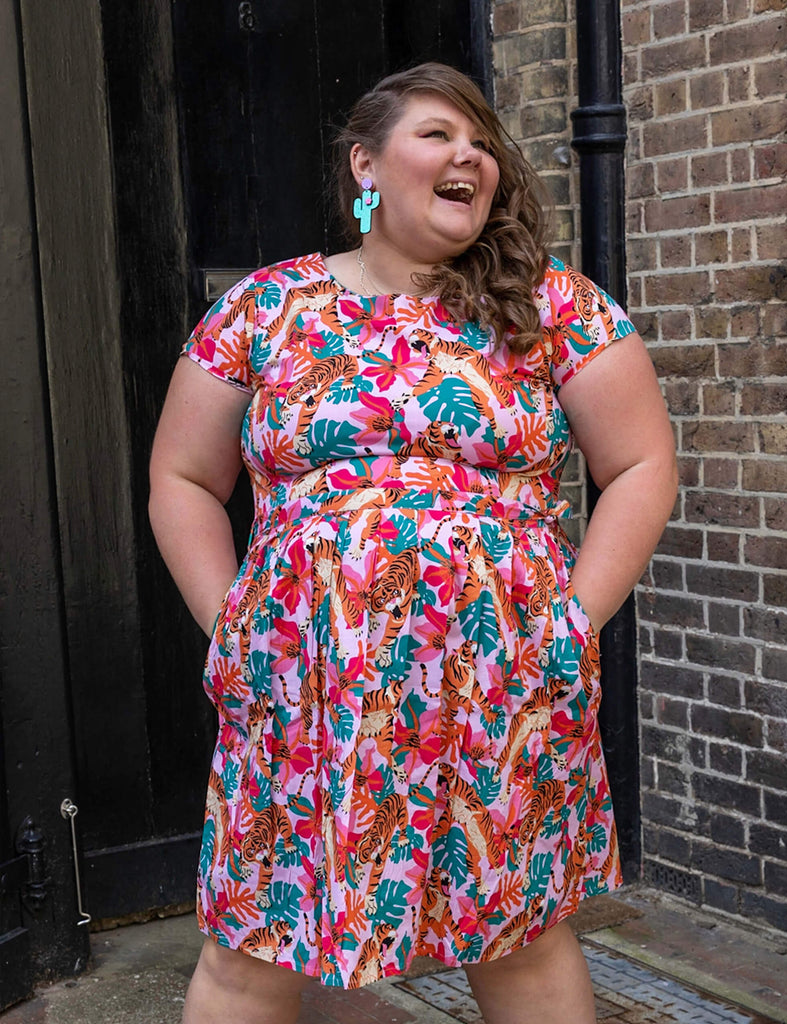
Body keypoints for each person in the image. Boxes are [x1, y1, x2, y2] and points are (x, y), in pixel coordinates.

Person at [149, 62, 677, 1024]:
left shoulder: (550, 305)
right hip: (306, 678)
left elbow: (641, 465)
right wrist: (229, 625)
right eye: (437, 134)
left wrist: (570, 622)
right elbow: (183, 478)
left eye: (479, 141)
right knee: (255, 937)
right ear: (366, 165)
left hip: (499, 674)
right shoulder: (267, 309)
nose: (467, 152)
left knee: (514, 933)